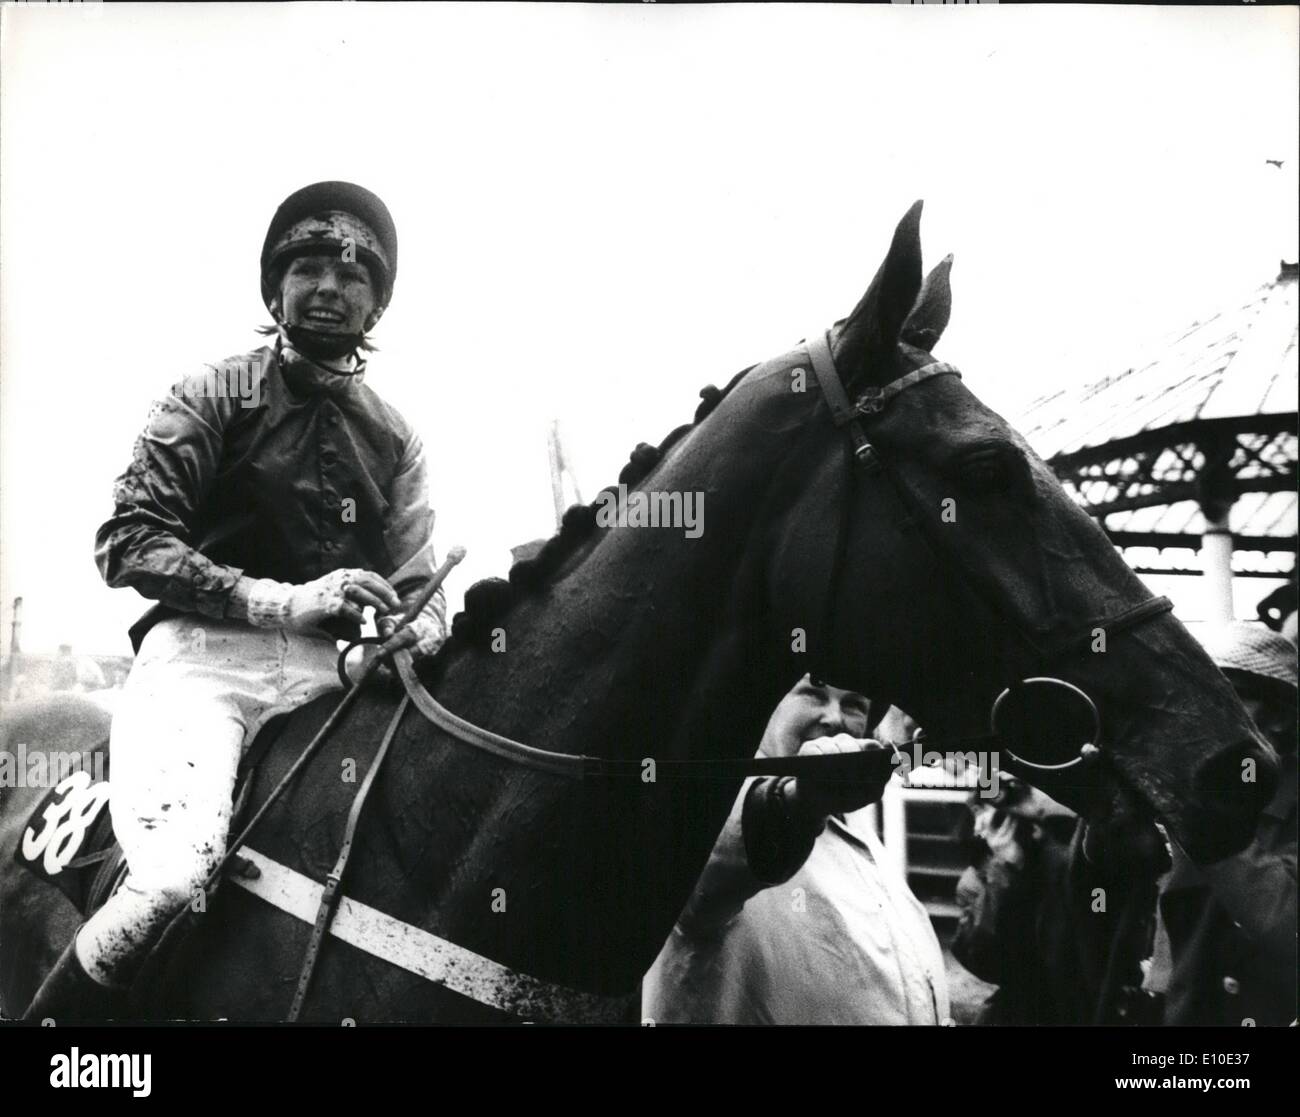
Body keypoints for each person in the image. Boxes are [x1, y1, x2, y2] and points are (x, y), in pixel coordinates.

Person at [25, 182, 448, 1020]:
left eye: (355, 274)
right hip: (201, 666)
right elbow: (129, 540)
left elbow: (418, 582)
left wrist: (413, 628)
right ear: (275, 290)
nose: (332, 285)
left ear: (378, 303)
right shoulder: (211, 394)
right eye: (311, 266)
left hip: (330, 680)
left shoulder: (398, 436)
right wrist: (277, 601)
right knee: (176, 877)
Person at [641, 674, 950, 1025]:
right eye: (813, 694)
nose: (835, 717)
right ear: (765, 705)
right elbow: (717, 865)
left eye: (853, 704)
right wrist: (800, 802)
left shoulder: (857, 827)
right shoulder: (711, 797)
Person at [1146, 621, 1297, 1027]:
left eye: (1229, 691)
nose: (1203, 709)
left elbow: (1287, 927)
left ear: (1280, 717)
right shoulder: (1194, 786)